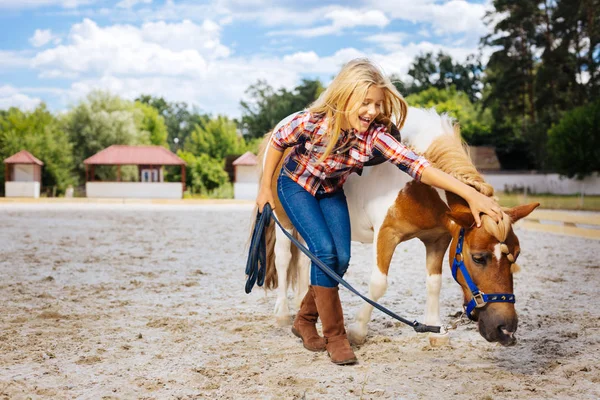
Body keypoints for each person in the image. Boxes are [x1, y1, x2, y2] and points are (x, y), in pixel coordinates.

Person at [255, 58, 503, 365]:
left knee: (341, 258)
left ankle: (304, 319)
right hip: (296, 186)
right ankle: (335, 335)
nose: (372, 111)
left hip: (329, 190)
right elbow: (278, 140)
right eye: (365, 103)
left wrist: (468, 193)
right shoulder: (314, 121)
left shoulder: (375, 136)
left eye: (377, 105)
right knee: (324, 251)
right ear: (345, 97)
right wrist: (264, 188)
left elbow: (418, 166)